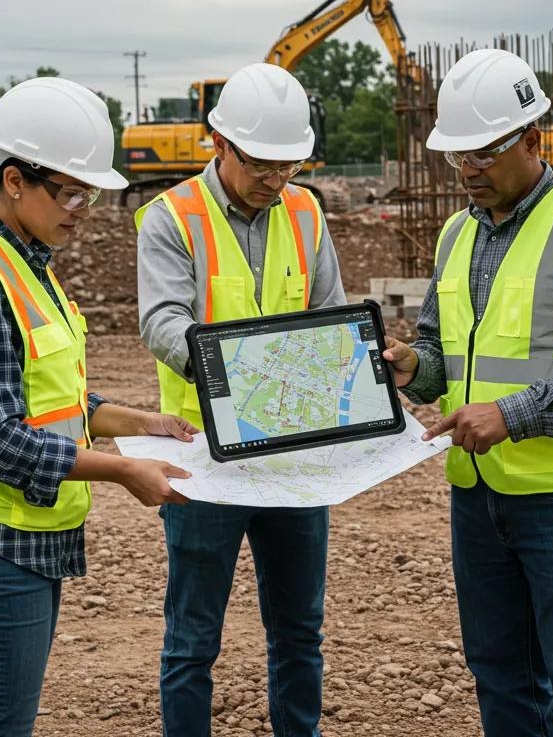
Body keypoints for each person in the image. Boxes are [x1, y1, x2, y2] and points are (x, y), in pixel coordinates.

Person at [0, 76, 195, 737]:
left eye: (89, 193)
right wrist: (123, 470)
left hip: (17, 537)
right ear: (13, 180)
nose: (82, 209)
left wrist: (140, 423)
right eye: (70, 192)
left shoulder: (25, 262)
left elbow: (52, 398)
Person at [383, 48, 553, 737]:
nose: (468, 169)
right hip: (476, 495)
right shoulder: (455, 234)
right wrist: (413, 366)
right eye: (457, 155)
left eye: (484, 152)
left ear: (533, 139)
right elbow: (444, 354)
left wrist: (511, 414)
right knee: (500, 677)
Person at [136, 62, 346, 737]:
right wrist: (246, 371)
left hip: (293, 457)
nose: (275, 179)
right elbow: (162, 323)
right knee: (193, 639)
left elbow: (330, 318)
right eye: (260, 163)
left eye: (288, 165)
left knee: (299, 632)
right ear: (219, 143)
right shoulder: (172, 217)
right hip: (205, 460)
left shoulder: (307, 211)